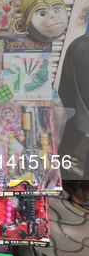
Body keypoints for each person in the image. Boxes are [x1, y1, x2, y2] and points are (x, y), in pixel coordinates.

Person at [58, 33, 89, 213]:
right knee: (78, 118)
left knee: (76, 117)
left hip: (80, 46)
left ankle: (53, 171)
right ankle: (84, 194)